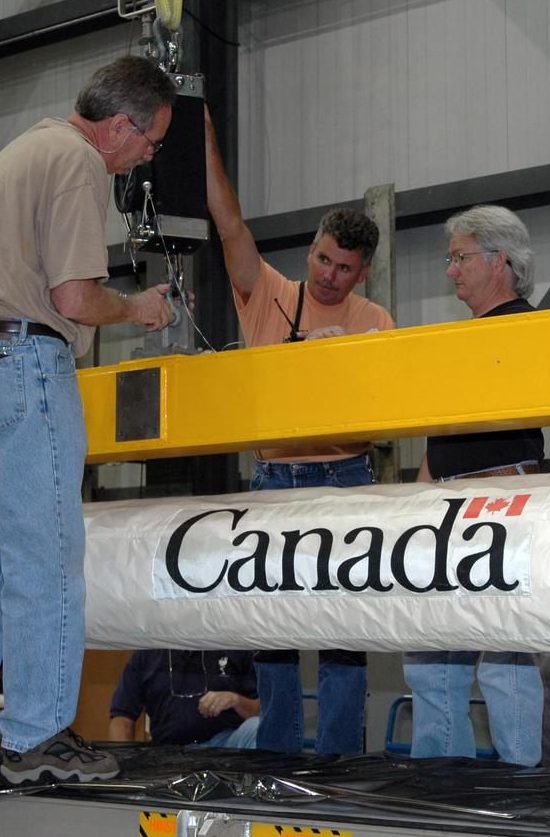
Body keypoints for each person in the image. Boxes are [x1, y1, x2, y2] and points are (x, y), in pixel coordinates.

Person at [0, 56, 181, 787]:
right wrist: (137, 308)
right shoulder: (78, 162)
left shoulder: (23, 147)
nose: (147, 157)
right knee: (46, 560)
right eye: (150, 142)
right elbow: (75, 296)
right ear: (119, 125)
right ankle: (38, 736)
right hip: (23, 365)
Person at [204, 108, 393, 755]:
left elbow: (385, 410)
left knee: (343, 632)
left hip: (346, 476)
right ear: (310, 247)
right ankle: (277, 757)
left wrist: (341, 359)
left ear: (362, 272)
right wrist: (203, 134)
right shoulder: (271, 295)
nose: (328, 274)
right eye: (322, 257)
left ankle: (340, 762)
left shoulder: (376, 322)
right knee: (274, 630)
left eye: (343, 267)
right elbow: (229, 225)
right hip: (276, 477)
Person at [403, 205, 545, 767]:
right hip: (448, 498)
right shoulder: (469, 340)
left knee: (505, 659)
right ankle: (443, 782)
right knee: (431, 660)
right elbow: (444, 438)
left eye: (460, 257)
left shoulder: (527, 330)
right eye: (451, 258)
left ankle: (520, 789)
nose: (450, 270)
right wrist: (419, 500)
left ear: (499, 261)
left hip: (497, 499)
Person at [107, 649, 259, 748]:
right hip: (168, 752)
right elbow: (122, 719)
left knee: (257, 728)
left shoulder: (235, 646)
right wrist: (123, 768)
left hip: (226, 744)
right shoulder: (146, 653)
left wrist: (236, 700)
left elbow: (263, 711)